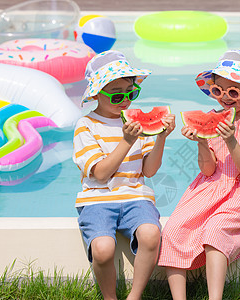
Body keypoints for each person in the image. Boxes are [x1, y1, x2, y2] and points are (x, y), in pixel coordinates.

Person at [158, 49, 240, 300]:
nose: (225, 97)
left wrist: (231, 139)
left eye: (233, 91)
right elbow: (208, 169)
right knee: (172, 230)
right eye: (218, 90)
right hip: (207, 188)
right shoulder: (210, 118)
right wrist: (201, 141)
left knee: (215, 232)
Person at [72, 50, 175, 300]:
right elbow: (100, 174)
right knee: (103, 249)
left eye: (132, 93)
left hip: (136, 196)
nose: (126, 100)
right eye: (117, 94)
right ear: (96, 94)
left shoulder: (135, 122)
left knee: (152, 233)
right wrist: (127, 141)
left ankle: (135, 295)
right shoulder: (86, 125)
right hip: (97, 199)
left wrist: (160, 135)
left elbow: (149, 170)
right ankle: (110, 297)